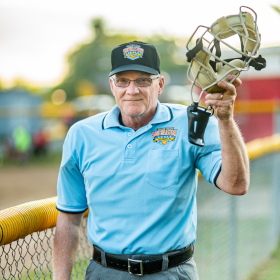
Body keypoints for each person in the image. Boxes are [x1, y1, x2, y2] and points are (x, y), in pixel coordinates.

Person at [53, 41, 250, 280]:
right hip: (105, 273)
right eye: (123, 80)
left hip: (172, 273)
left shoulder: (191, 123)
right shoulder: (82, 135)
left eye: (143, 80)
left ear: (160, 85)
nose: (132, 90)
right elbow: (69, 219)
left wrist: (226, 119)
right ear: (112, 85)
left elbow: (236, 184)